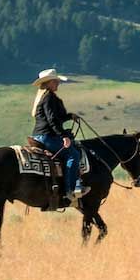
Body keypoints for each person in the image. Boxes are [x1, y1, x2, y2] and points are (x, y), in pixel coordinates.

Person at [30, 68, 89, 200]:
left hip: (41, 135)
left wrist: (69, 116)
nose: (58, 83)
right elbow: (52, 120)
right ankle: (71, 189)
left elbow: (56, 117)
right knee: (73, 154)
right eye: (55, 81)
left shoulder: (45, 97)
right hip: (46, 136)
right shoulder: (49, 97)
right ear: (49, 82)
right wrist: (64, 137)